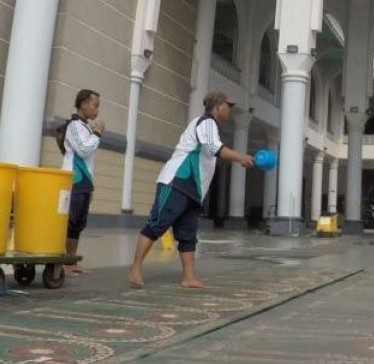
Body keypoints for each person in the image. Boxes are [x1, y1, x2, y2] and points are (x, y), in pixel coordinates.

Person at [128, 91, 255, 288]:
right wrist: (241, 158)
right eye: (228, 106)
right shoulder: (206, 122)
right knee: (158, 223)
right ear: (218, 105)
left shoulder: (211, 126)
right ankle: (135, 268)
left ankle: (188, 277)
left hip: (193, 189)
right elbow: (214, 148)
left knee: (187, 233)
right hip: (177, 180)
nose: (229, 110)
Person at [58, 88, 103, 276]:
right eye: (95, 105)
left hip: (84, 181)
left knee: (78, 224)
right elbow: (83, 150)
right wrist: (98, 134)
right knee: (70, 220)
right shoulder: (74, 126)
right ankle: (64, 261)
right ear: (83, 103)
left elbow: (87, 160)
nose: (97, 110)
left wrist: (90, 186)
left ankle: (72, 261)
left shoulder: (85, 127)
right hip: (73, 180)